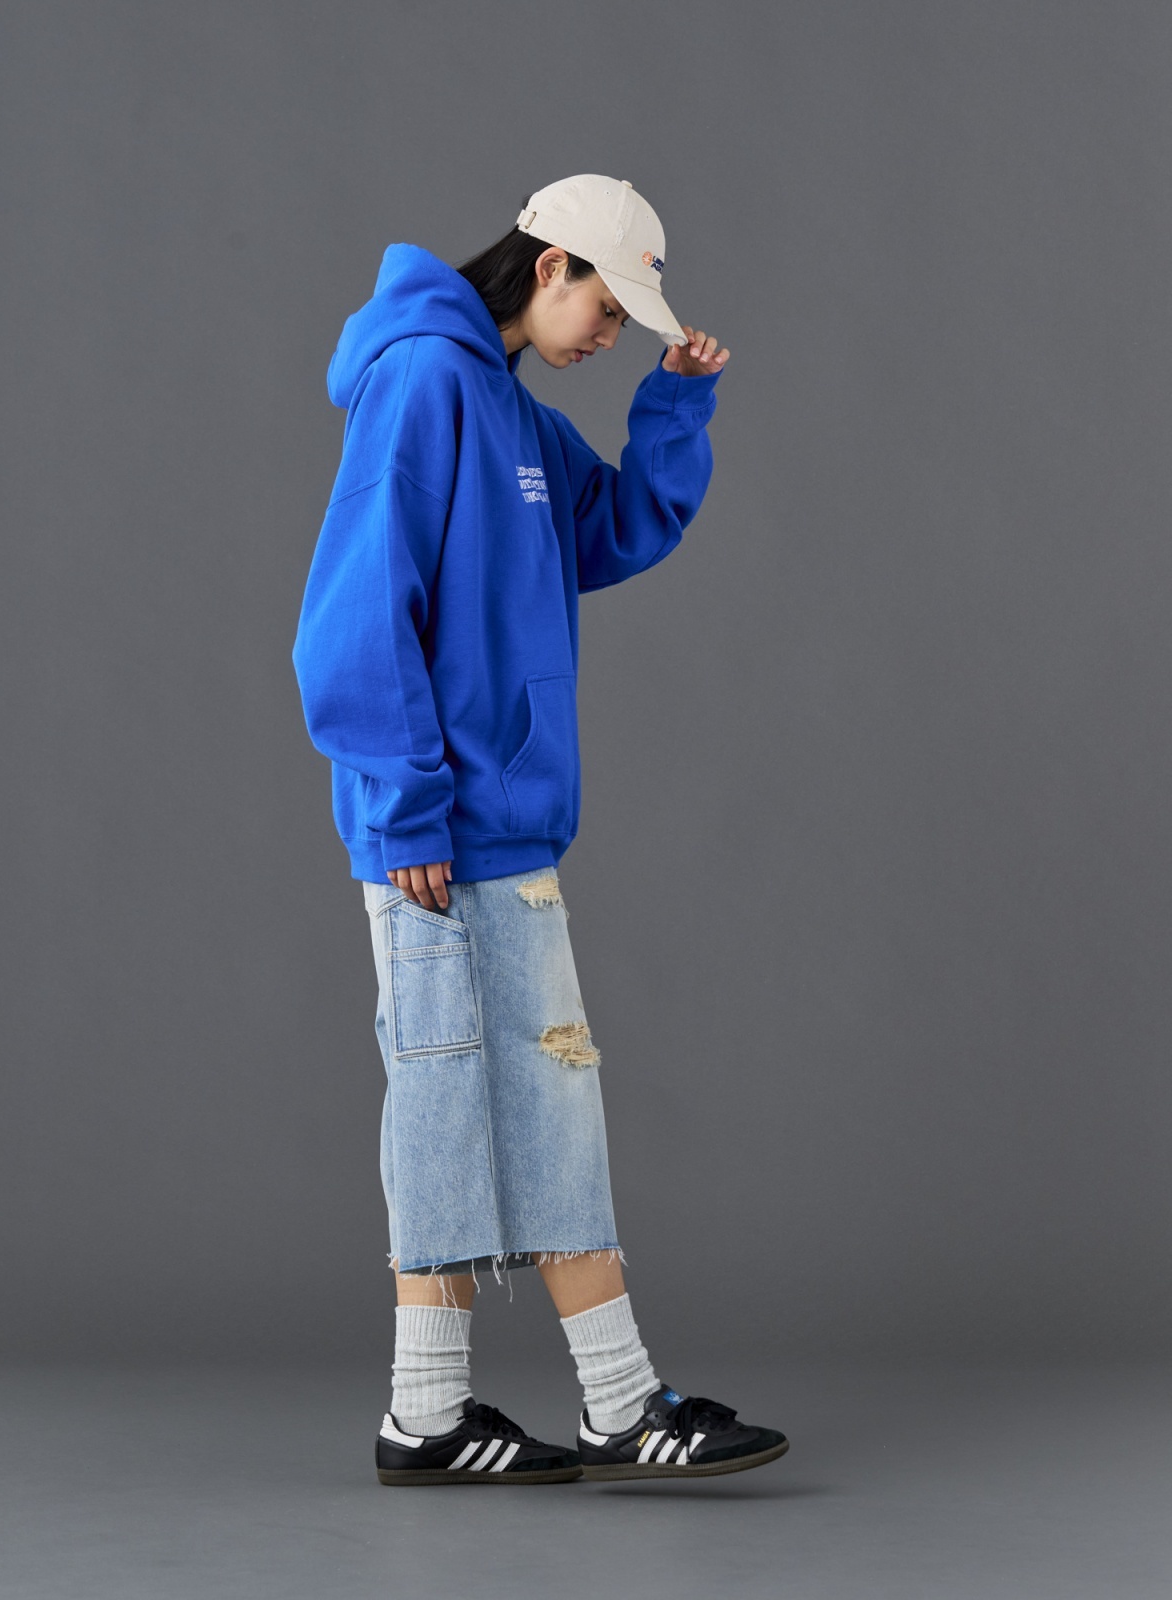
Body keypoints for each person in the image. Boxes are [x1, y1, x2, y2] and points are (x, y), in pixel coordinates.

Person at [291, 174, 789, 1485]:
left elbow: (612, 531)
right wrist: (407, 808)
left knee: (522, 1101)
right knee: (452, 1102)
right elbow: (352, 616)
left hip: (499, 830)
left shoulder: (513, 412)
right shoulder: (424, 382)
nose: (610, 336)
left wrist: (673, 406)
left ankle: (520, 1408)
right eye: (609, 310)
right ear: (551, 264)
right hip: (433, 835)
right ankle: (489, 1411)